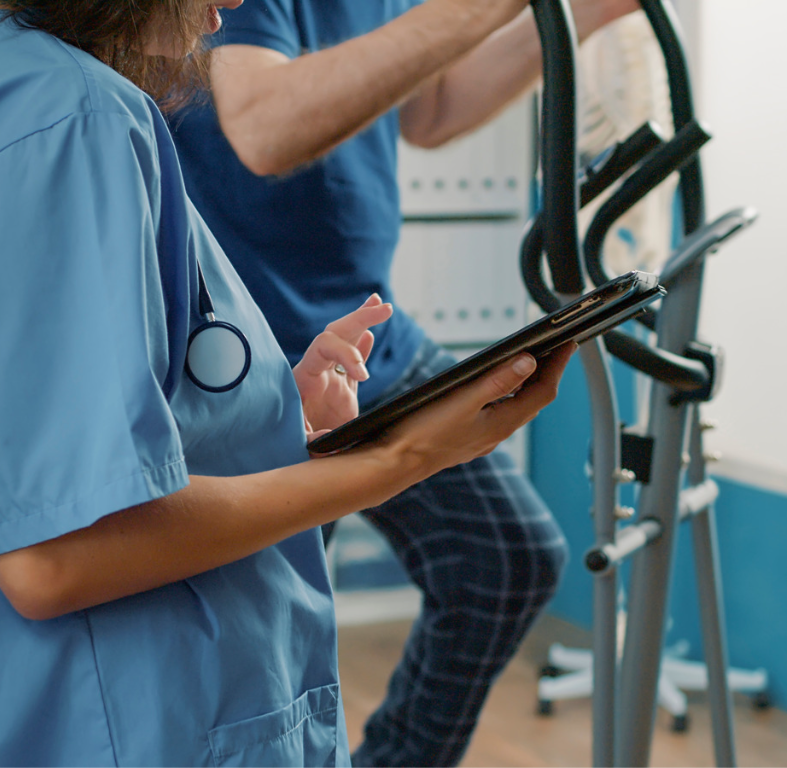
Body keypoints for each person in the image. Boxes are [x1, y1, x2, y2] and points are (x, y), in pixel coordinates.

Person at [0, 0, 573, 765]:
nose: (239, 3)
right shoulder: (75, 118)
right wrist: (398, 461)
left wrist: (260, 415)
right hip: (121, 720)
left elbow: (28, 426)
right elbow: (59, 553)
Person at [170, 0, 638, 763]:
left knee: (503, 555)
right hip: (251, 354)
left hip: (362, 327)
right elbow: (262, 127)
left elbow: (432, 108)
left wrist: (580, 13)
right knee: (266, 647)